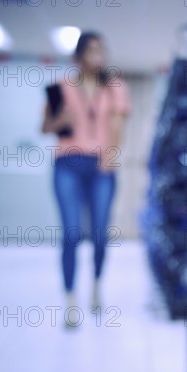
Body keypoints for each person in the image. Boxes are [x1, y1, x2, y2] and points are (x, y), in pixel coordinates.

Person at [42, 32, 131, 317]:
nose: (98, 57)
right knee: (70, 232)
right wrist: (60, 120)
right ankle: (70, 299)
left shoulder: (114, 87)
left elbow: (118, 128)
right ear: (78, 57)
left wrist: (110, 159)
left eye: (101, 51)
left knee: (100, 233)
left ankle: (95, 286)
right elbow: (45, 127)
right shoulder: (60, 87)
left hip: (101, 166)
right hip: (68, 163)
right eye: (92, 51)